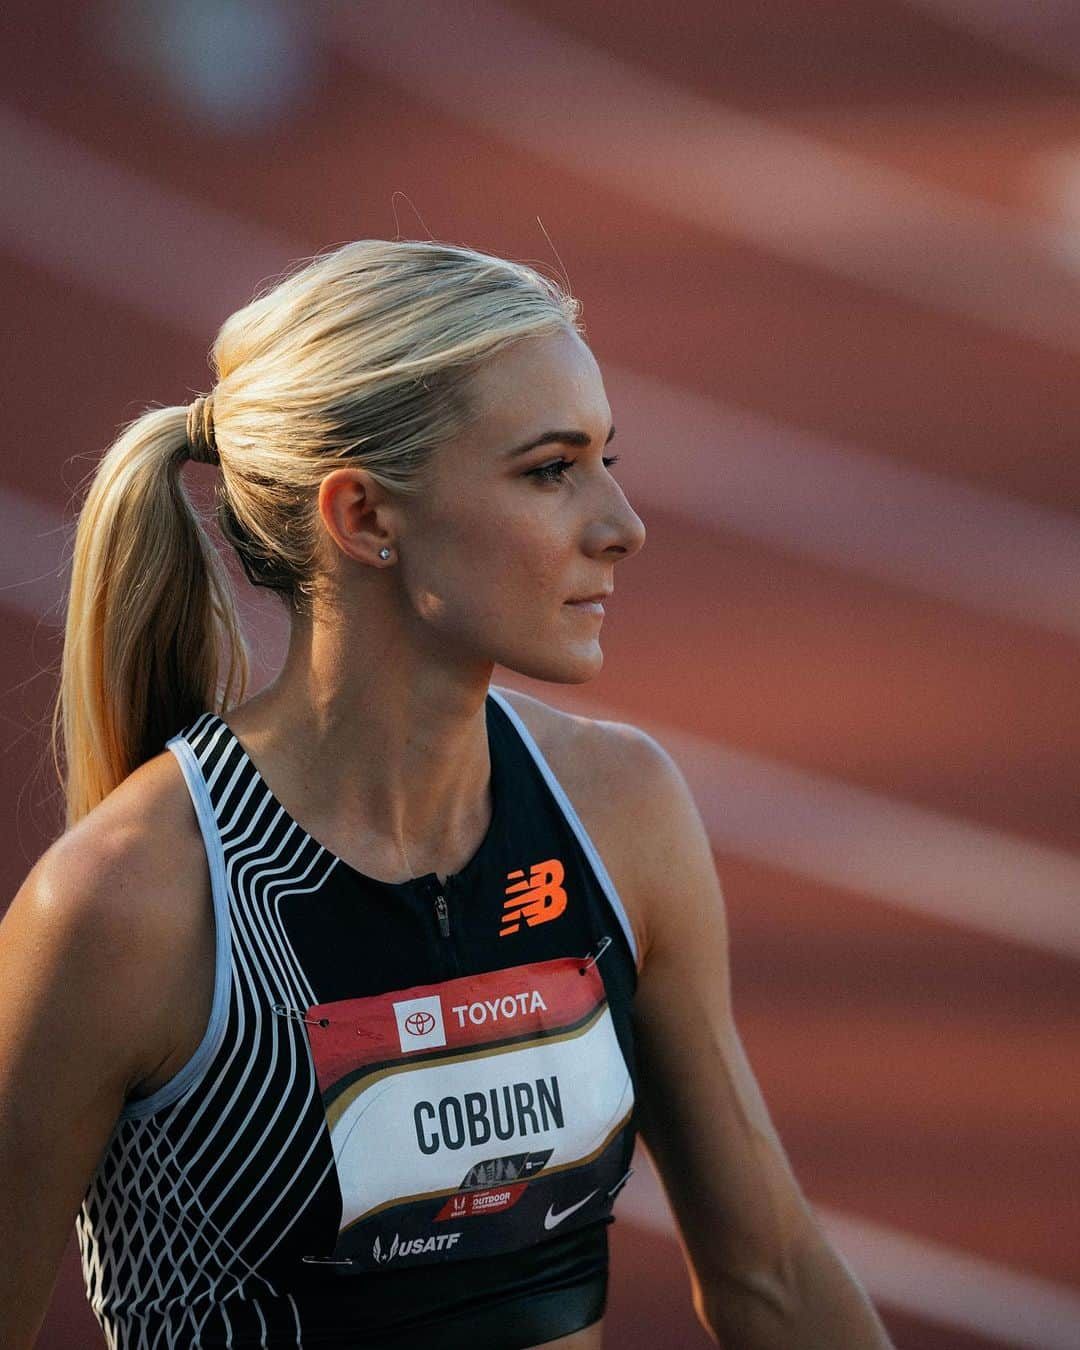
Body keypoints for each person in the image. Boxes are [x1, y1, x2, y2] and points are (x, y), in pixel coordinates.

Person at [0, 239, 894, 1349]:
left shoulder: (619, 813)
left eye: (607, 458)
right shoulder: (127, 908)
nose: (622, 523)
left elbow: (771, 1276)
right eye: (550, 469)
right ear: (365, 517)